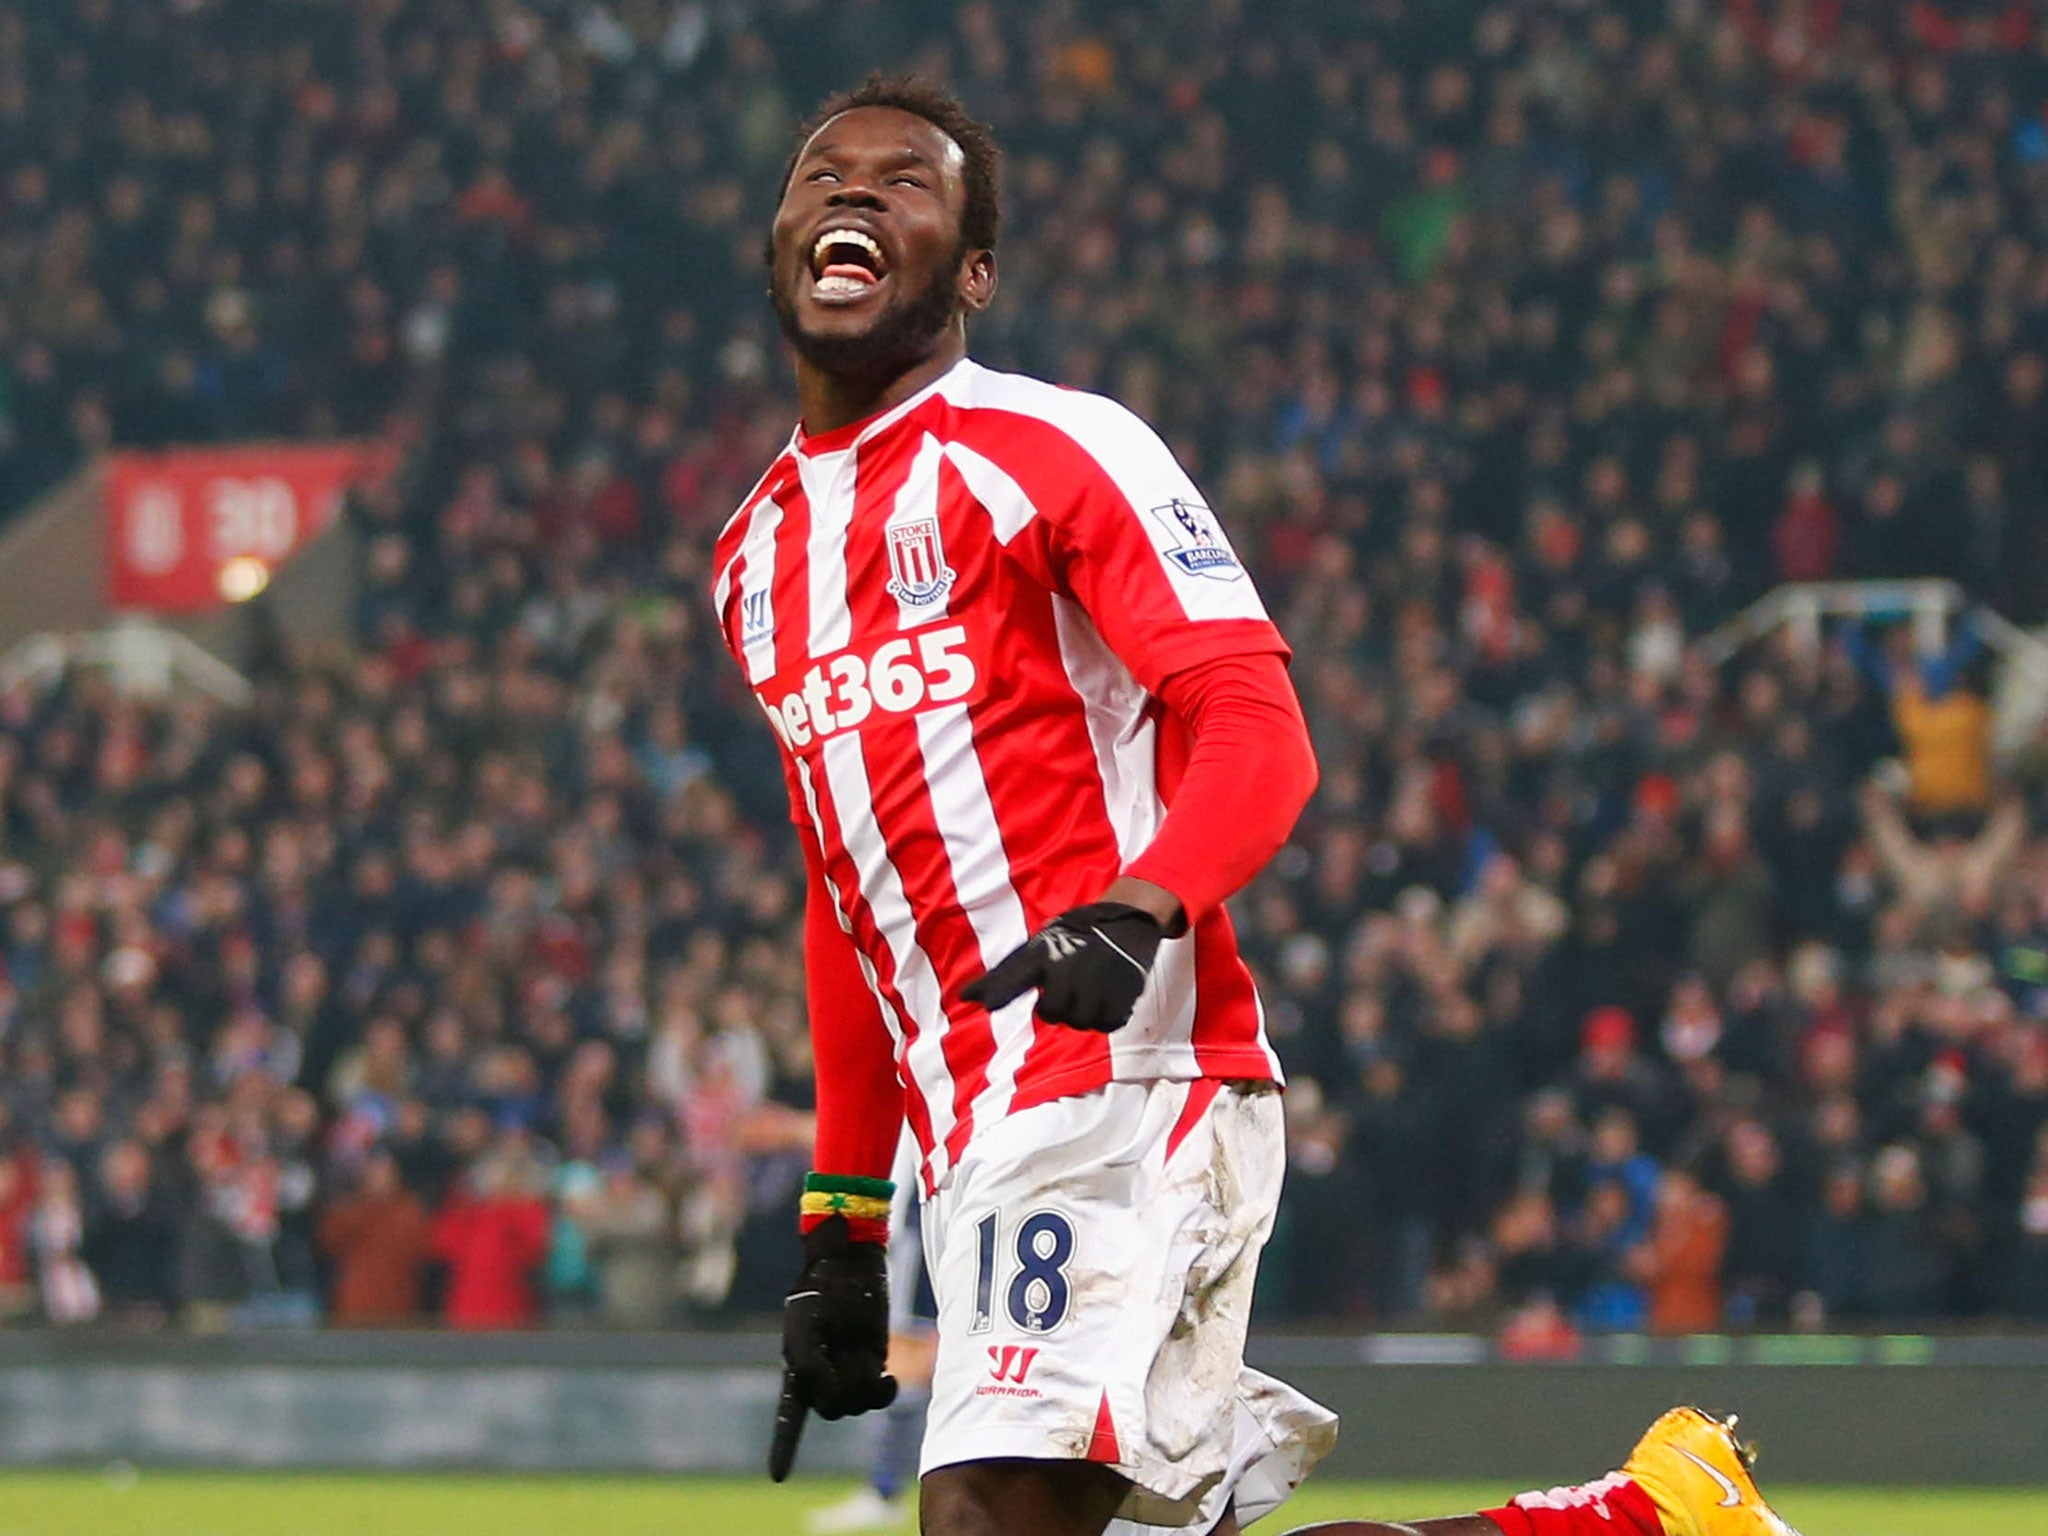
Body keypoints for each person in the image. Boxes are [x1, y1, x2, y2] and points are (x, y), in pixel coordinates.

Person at [721, 74, 1804, 1536]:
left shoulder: (1054, 451)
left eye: (904, 183)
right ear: (779, 234)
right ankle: (1644, 1521)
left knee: (984, 1518)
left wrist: (1138, 905)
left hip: (1124, 1075)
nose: (853, 195)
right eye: (823, 176)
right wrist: (846, 1223)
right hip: (970, 1128)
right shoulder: (753, 561)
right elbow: (849, 897)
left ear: (973, 271)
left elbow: (1256, 722)